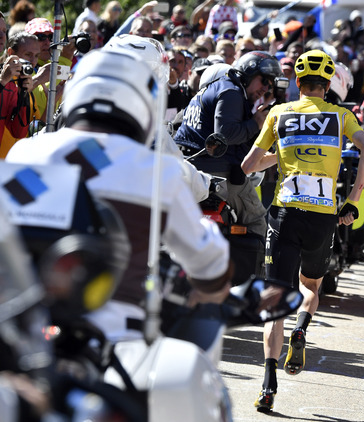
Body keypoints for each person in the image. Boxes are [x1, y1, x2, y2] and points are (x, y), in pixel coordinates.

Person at [6, 48, 232, 342]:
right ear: (144, 104)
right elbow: (209, 265)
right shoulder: (156, 170)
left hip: (23, 334)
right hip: (117, 341)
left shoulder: (28, 152)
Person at [241, 49, 364, 413]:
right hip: (322, 216)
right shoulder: (341, 115)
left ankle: (268, 384)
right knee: (311, 286)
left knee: (274, 299)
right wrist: (352, 198)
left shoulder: (278, 113)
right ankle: (302, 327)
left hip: (285, 214)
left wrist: (282, 153)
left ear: (297, 83)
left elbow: (248, 165)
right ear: (328, 84)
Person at [173, 51, 283, 242]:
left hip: (186, 172)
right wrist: (255, 124)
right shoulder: (231, 92)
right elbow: (224, 134)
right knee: (258, 222)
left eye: (270, 85)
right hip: (217, 175)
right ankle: (249, 272)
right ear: (248, 72)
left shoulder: (208, 92)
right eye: (264, 80)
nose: (265, 88)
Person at [0, 31, 39, 158]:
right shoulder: (6, 82)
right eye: (28, 55)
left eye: (36, 55)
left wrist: (23, 94)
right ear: (11, 53)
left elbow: (18, 132)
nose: (33, 62)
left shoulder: (13, 84)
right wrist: (2, 83)